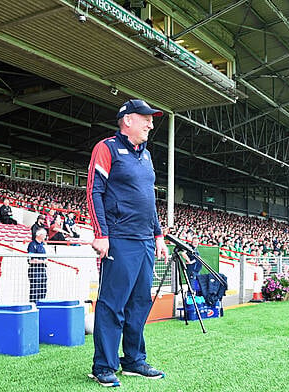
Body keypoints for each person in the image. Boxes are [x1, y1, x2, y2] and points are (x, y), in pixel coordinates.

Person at [87, 99, 168, 386]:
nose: (151, 124)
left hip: (146, 240)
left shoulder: (146, 156)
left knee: (139, 303)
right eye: (146, 118)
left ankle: (134, 360)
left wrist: (158, 235)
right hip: (119, 240)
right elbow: (94, 192)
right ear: (128, 120)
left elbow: (149, 202)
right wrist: (101, 233)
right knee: (112, 304)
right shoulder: (106, 148)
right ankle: (103, 366)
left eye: (151, 119)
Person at [27, 228, 48, 303]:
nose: (45, 236)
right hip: (35, 270)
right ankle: (33, 305)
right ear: (40, 235)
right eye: (44, 235)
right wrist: (42, 261)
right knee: (35, 289)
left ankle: (41, 304)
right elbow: (30, 260)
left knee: (43, 288)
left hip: (42, 270)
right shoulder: (32, 245)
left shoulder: (42, 245)